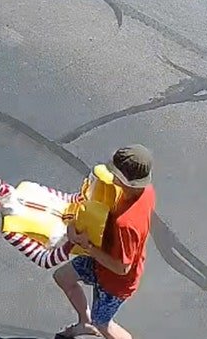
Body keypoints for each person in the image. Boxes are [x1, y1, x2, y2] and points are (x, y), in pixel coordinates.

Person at [54, 145, 156, 339]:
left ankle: (94, 325)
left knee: (104, 325)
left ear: (122, 179)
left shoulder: (126, 223)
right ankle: (85, 324)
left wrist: (88, 248)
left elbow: (122, 268)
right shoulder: (146, 191)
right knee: (63, 277)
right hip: (102, 256)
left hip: (115, 283)